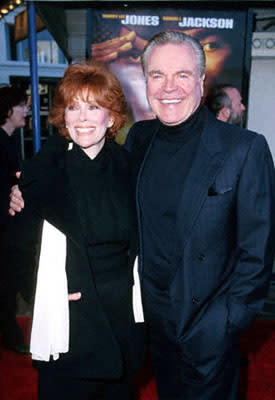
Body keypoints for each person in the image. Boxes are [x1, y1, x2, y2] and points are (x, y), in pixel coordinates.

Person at [9, 31, 275, 400]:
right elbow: (77, 147)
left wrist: (227, 322)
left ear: (200, 81)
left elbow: (257, 253)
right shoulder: (141, 140)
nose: (169, 87)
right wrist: (27, 185)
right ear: (145, 81)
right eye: (157, 76)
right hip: (148, 328)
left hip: (207, 332)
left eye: (182, 75)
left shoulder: (244, 149)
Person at [5, 59, 145, 400]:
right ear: (64, 117)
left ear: (110, 116)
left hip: (122, 314)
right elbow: (17, 247)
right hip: (69, 318)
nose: (82, 118)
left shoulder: (133, 170)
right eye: (73, 107)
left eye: (93, 107)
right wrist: (43, 294)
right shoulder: (42, 175)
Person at [0, 85, 29, 354]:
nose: (27, 110)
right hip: (4, 230)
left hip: (8, 229)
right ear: (8, 110)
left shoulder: (8, 140)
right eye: (22, 105)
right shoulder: (1, 142)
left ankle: (10, 336)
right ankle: (10, 337)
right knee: (7, 284)